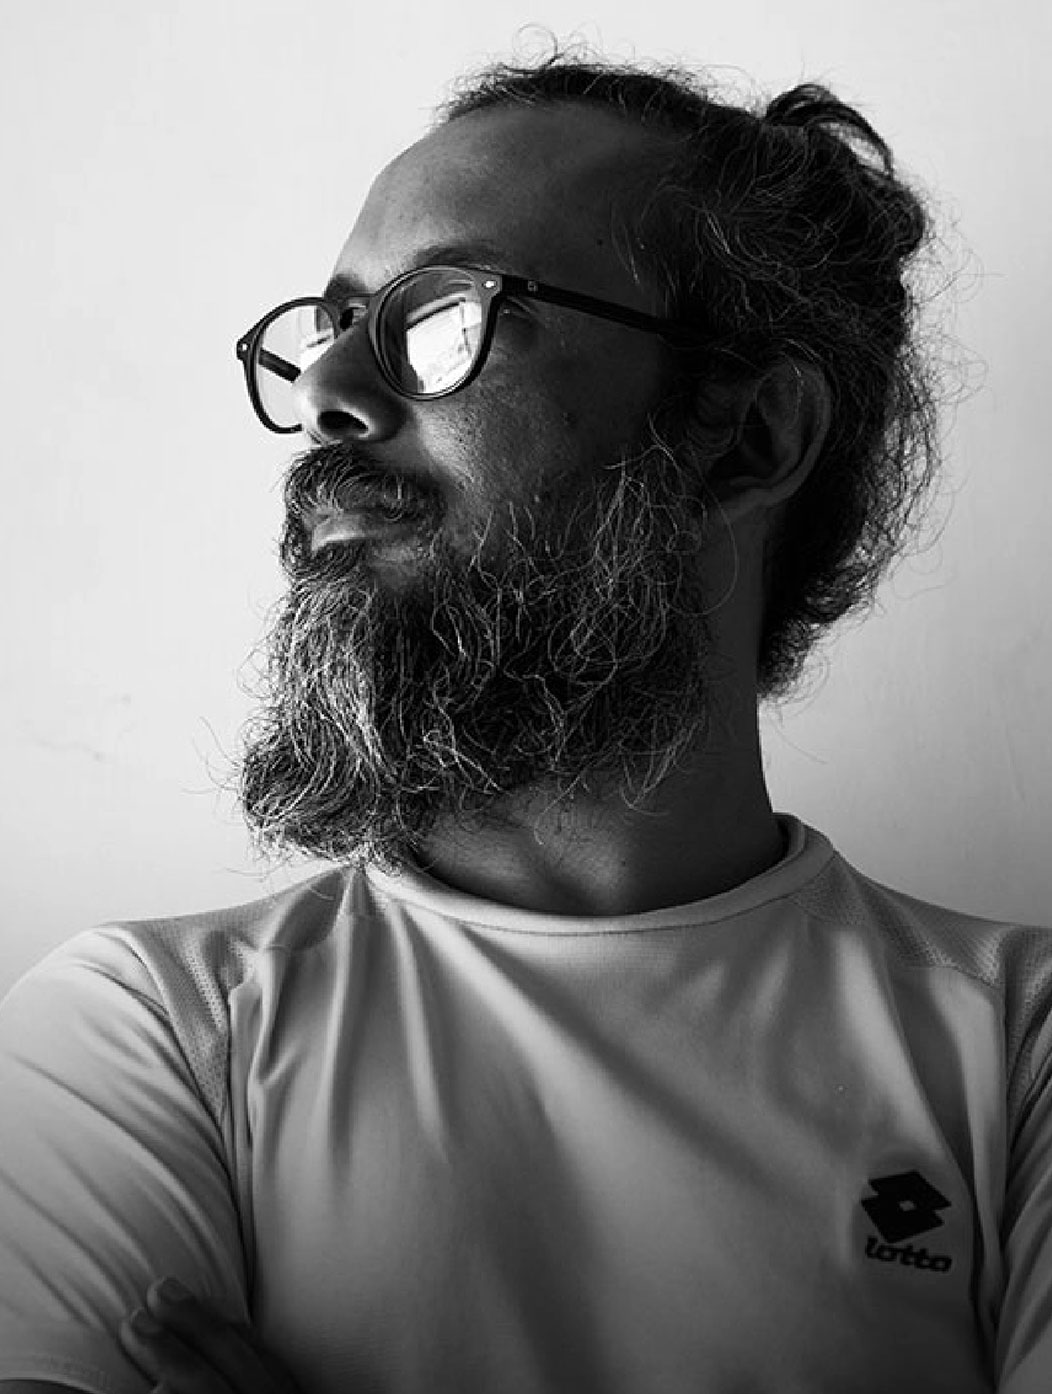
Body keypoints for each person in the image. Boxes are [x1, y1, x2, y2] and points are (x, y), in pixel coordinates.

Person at [1, 42, 1049, 1394]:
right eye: (330, 328)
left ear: (749, 437)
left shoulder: (1018, 1048)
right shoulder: (148, 1034)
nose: (324, 396)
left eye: (448, 317)